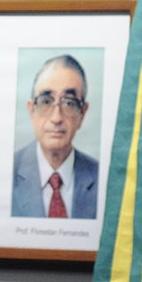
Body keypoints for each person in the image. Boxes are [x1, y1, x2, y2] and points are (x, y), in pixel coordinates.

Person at [11, 54, 99, 220]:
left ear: (82, 113)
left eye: (69, 103)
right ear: (32, 111)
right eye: (45, 101)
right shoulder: (7, 173)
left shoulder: (103, 178)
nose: (56, 118)